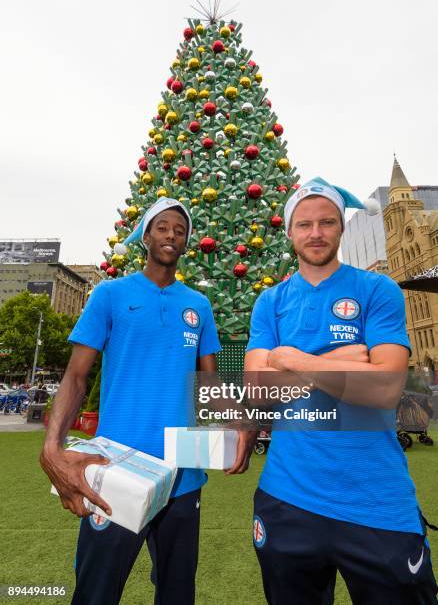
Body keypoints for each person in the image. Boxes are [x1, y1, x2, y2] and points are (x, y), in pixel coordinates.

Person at [40, 198, 254, 605]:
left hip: (183, 478)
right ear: (145, 235)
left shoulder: (198, 305)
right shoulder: (110, 295)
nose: (171, 234)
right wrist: (52, 444)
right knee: (96, 592)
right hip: (115, 470)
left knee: (177, 594)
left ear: (187, 241)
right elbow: (76, 375)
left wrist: (240, 422)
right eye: (162, 226)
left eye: (180, 229)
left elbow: (210, 381)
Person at [245, 178, 438, 605]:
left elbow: (386, 387)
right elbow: (257, 391)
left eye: (327, 222)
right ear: (290, 232)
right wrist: (349, 361)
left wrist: (293, 359)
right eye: (305, 224)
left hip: (376, 501)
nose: (316, 233)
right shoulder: (271, 302)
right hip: (287, 497)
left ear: (341, 227)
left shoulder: (377, 289)